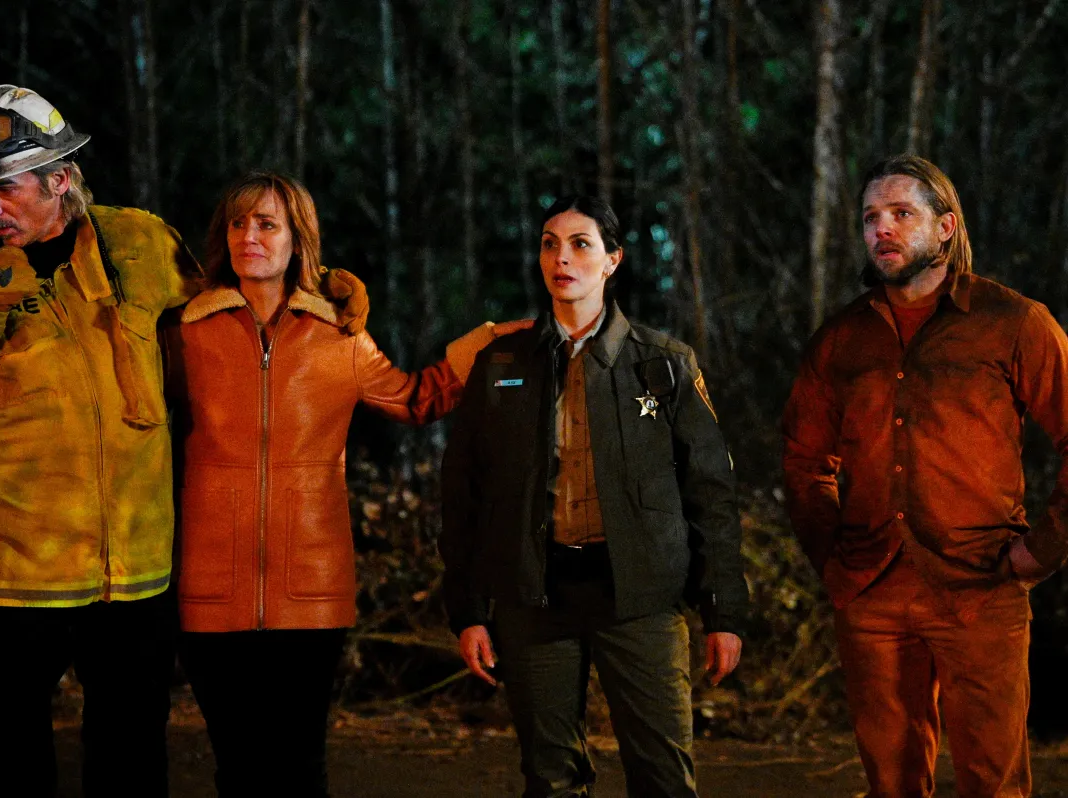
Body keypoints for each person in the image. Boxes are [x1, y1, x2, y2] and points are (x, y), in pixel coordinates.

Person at [0, 85, 362, 798]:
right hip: (17, 578)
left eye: (4, 188)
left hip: (135, 576)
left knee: (131, 759)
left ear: (59, 179)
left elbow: (228, 318)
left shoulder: (140, 243)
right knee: (9, 758)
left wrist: (318, 298)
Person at [166, 170, 530, 798]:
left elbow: (417, 399)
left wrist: (491, 342)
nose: (248, 236)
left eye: (267, 224)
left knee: (300, 769)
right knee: (237, 769)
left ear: (298, 241)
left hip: (311, 591)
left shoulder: (340, 336)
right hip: (209, 588)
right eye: (238, 223)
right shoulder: (184, 333)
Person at [439, 195, 747, 798]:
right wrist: (469, 609)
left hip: (641, 598)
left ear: (612, 260)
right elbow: (465, 493)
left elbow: (711, 494)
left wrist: (723, 611)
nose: (562, 258)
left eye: (581, 244)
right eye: (549, 244)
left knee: (663, 777)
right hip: (535, 598)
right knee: (551, 778)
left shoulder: (663, 364)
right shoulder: (501, 364)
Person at [782, 154, 1068, 797]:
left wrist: (1044, 547)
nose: (881, 228)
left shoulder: (1013, 323)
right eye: (870, 217)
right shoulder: (841, 340)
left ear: (945, 226)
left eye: (900, 214)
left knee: (994, 783)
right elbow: (803, 461)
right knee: (891, 783)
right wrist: (832, 554)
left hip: (981, 586)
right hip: (871, 591)